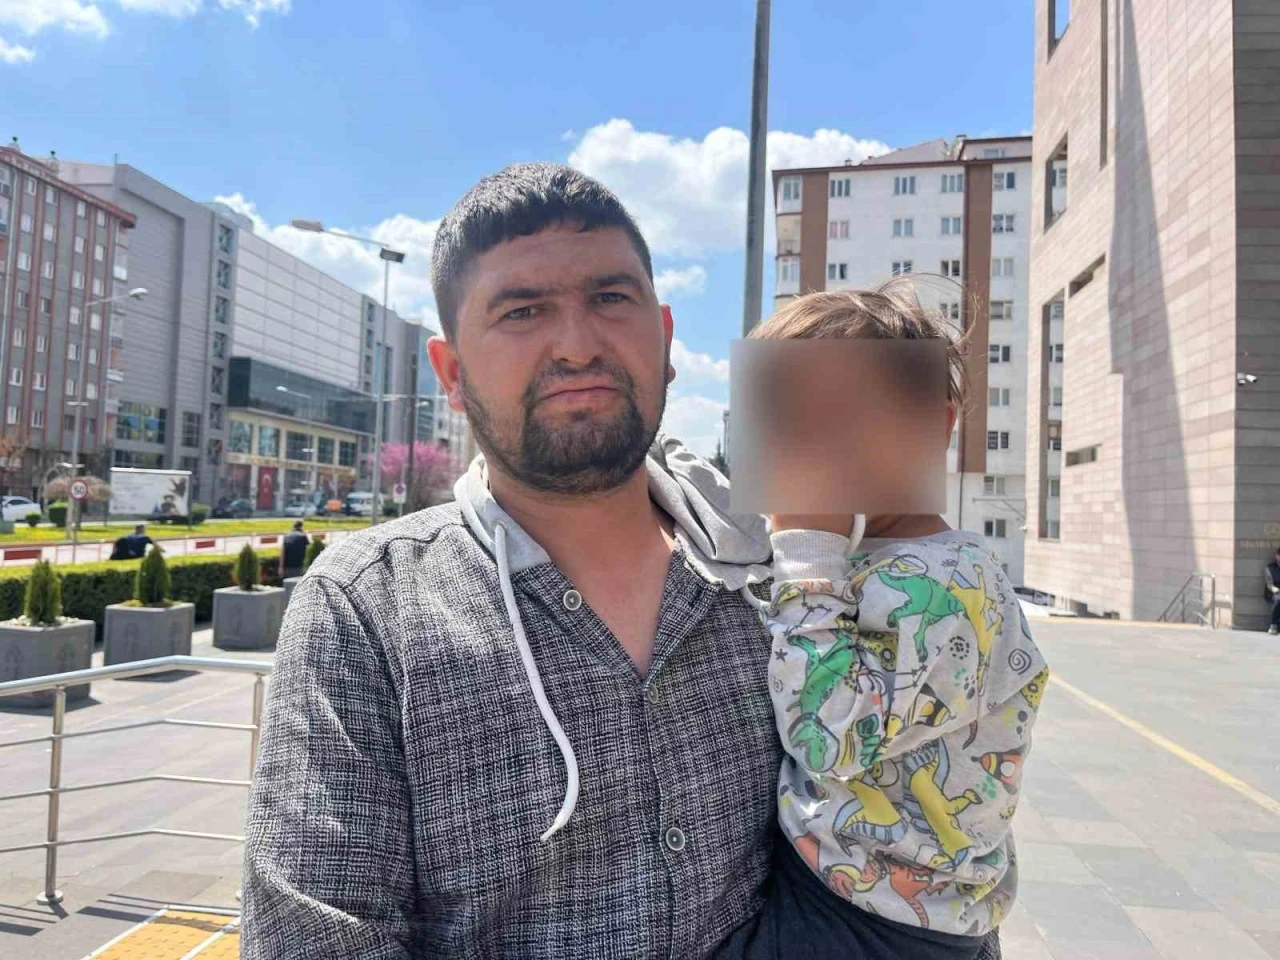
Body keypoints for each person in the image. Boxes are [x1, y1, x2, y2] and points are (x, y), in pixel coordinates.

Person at [240, 163, 783, 958]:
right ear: (453, 374)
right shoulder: (366, 610)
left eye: (611, 298)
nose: (578, 345)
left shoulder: (773, 579)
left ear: (665, 338)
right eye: (523, 311)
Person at [718, 287, 1045, 959]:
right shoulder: (881, 558)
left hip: (874, 921)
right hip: (869, 896)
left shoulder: (939, 584)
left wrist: (806, 552)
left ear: (934, 426)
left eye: (843, 415)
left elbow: (829, 738)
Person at [1266, 546, 1280, 635]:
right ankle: (1273, 625)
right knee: (1278, 599)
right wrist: (1276, 589)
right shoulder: (1270, 567)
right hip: (1274, 592)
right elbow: (1269, 584)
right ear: (1276, 556)